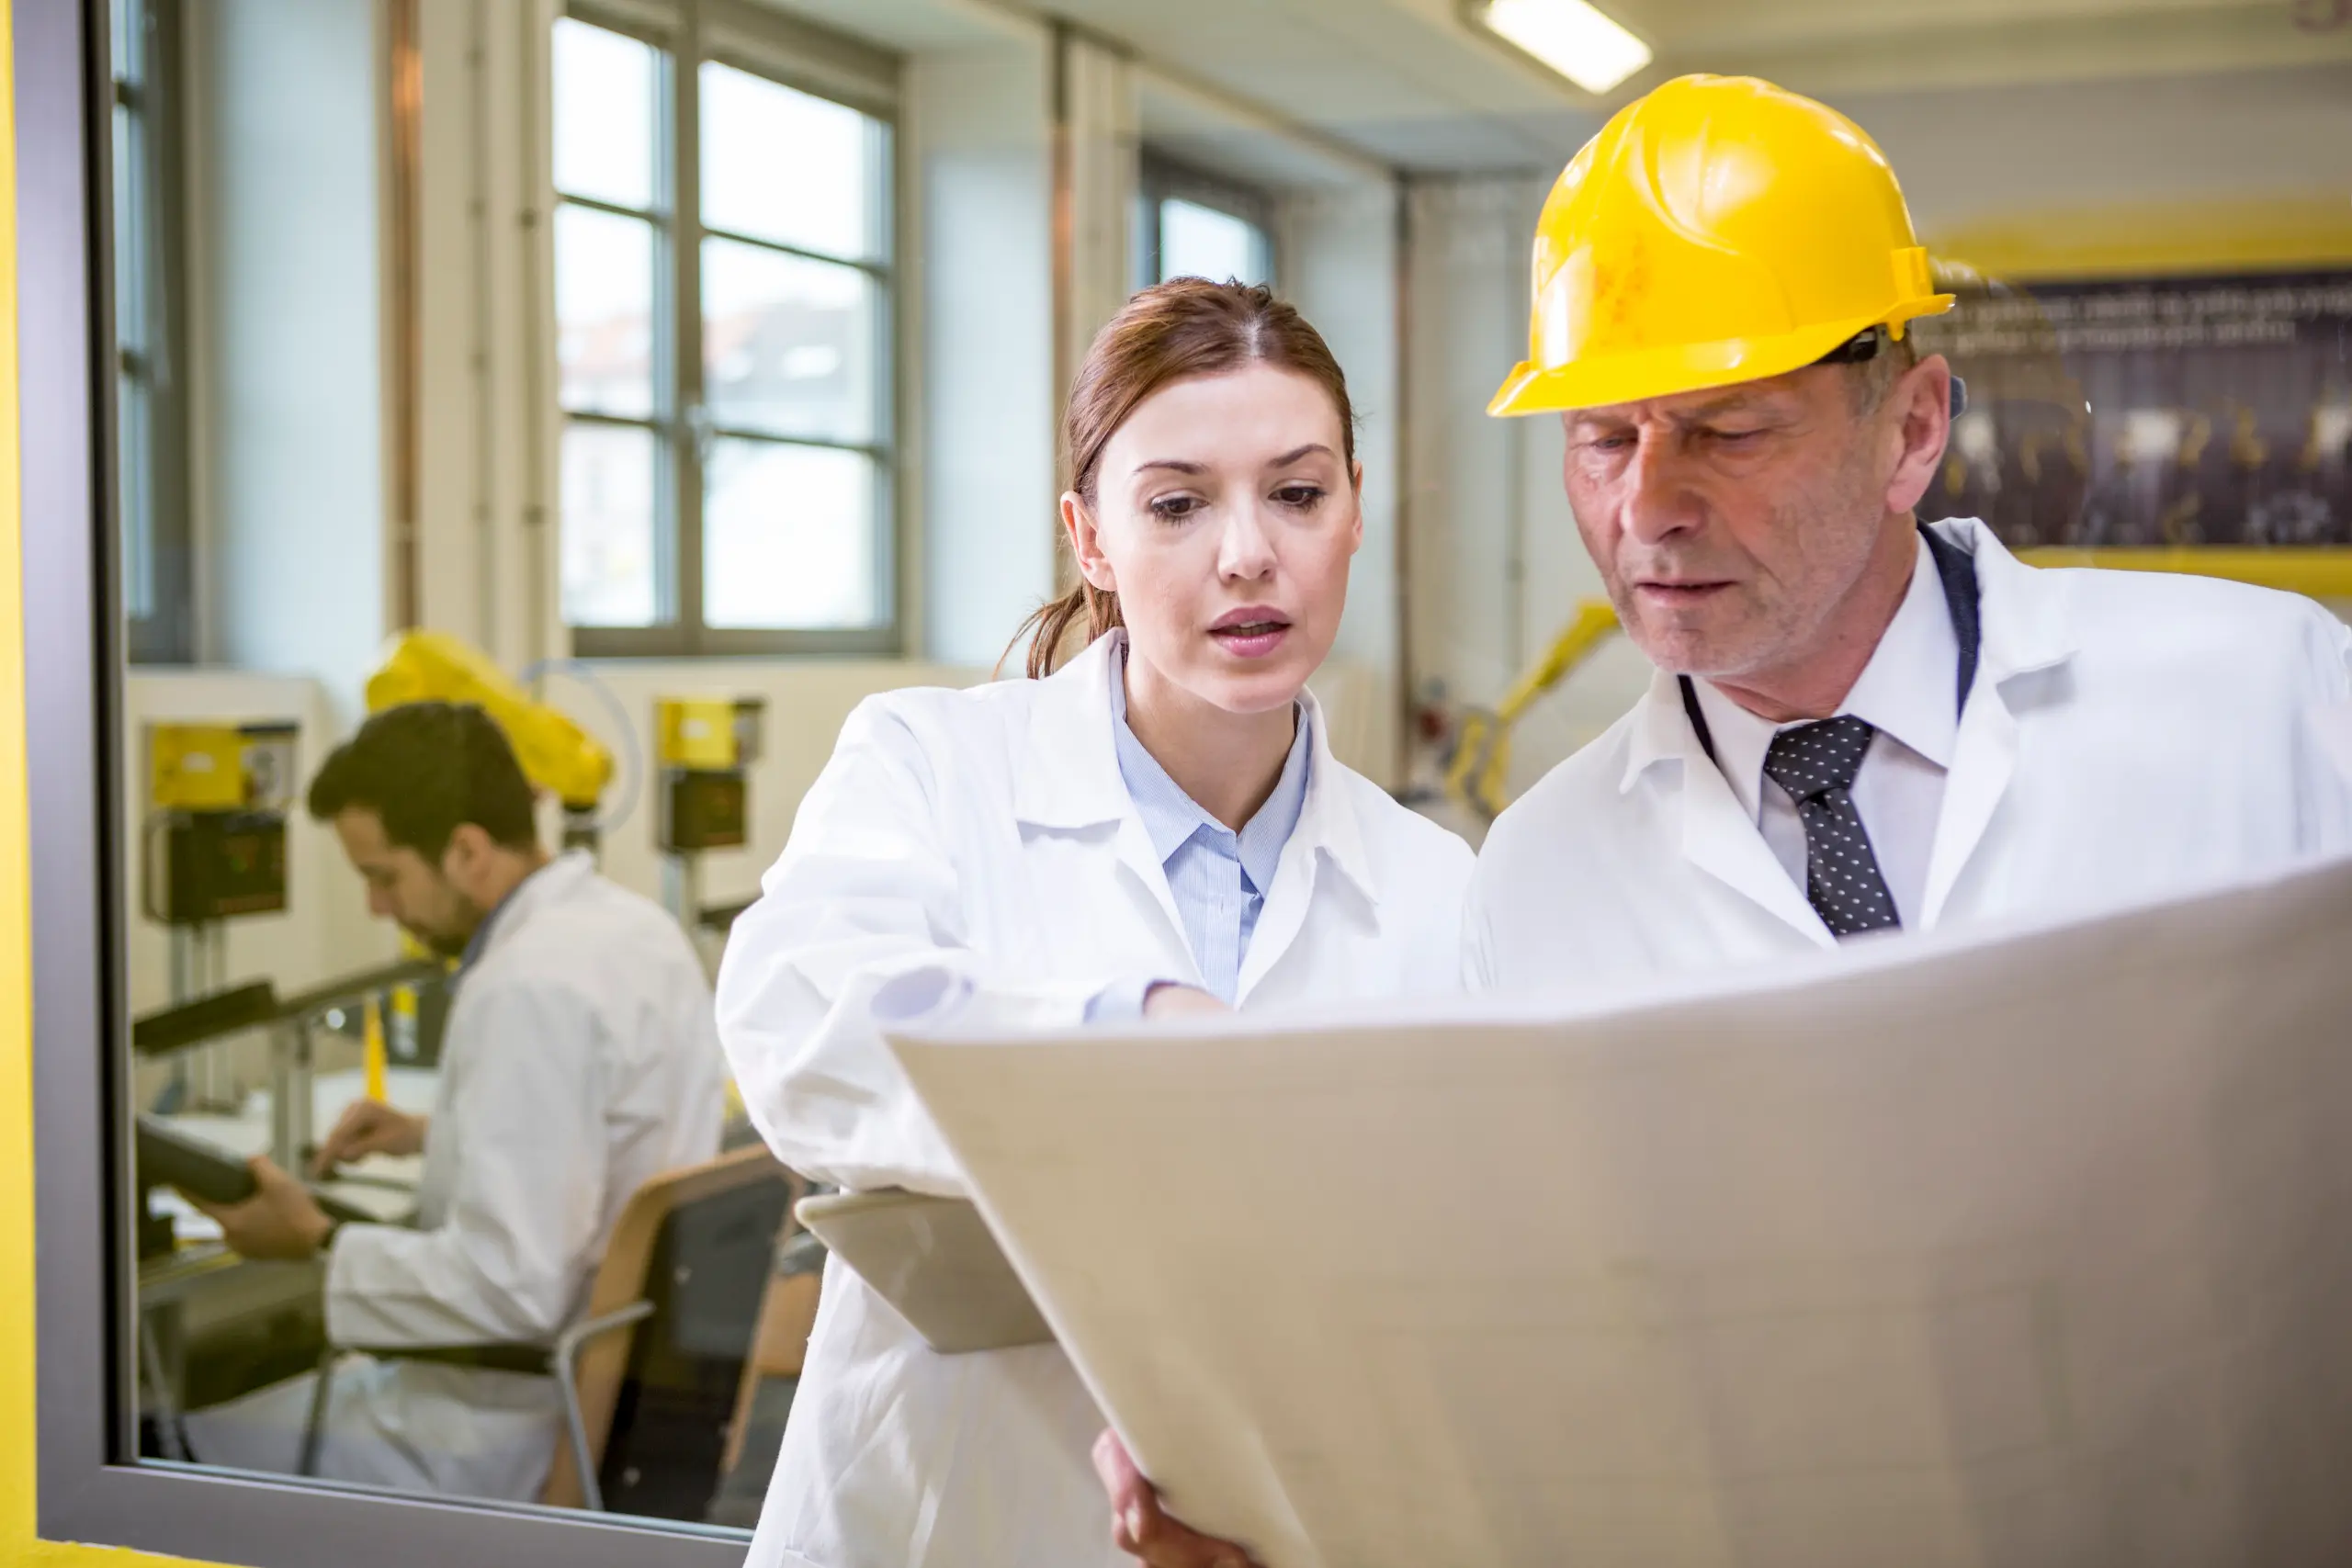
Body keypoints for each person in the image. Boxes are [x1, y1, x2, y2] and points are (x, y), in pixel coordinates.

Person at [1099, 73, 2352, 1568]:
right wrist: (1278, 1456)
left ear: (1911, 428)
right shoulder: (1546, 875)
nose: (1649, 507)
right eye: (1604, 439)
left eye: (1729, 431)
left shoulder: (2267, 697)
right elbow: (1534, 1336)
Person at [713, 278, 1474, 1568]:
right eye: (1176, 503)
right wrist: (1128, 1036)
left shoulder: (1438, 888)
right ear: (1092, 537)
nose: (1247, 553)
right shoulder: (932, 766)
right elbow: (796, 1025)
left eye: (1297, 492)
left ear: (1355, 508)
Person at [181, 700, 727, 1501]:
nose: (377, 907)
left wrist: (317, 1240)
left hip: (498, 1423)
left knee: (165, 1441)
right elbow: (606, 1125)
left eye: (383, 876)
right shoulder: (633, 930)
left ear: (468, 850)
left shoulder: (527, 984)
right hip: (625, 1395)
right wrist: (437, 1131)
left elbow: (510, 1287)